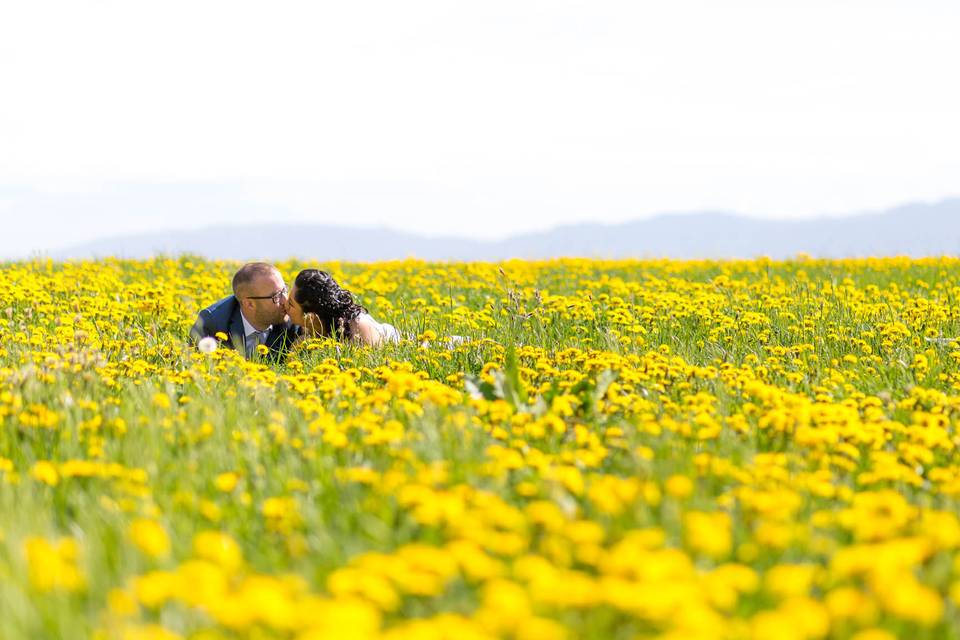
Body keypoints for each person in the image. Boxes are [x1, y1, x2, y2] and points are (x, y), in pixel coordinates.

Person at [190, 262, 302, 359]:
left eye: (284, 290)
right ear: (249, 304)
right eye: (276, 297)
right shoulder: (212, 323)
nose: (285, 301)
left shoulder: (295, 316)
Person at [286, 268, 400, 346]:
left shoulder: (358, 329)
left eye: (290, 304)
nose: (285, 304)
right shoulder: (312, 326)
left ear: (311, 316)